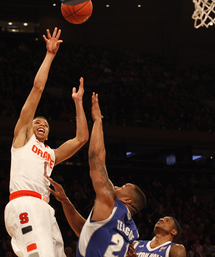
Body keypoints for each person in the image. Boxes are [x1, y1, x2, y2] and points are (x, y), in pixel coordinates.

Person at [4, 27, 89, 257]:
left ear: (48, 134)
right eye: (37, 121)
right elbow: (38, 87)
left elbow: (82, 139)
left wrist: (78, 102)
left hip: (45, 209)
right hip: (25, 203)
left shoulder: (51, 154)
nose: (41, 123)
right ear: (29, 126)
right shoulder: (22, 138)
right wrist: (50, 55)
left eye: (46, 123)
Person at [47, 92, 146, 257]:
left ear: (127, 200)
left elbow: (96, 159)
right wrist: (65, 201)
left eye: (123, 187)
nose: (116, 186)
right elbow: (84, 231)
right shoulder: (132, 232)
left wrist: (98, 121)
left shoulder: (110, 203)